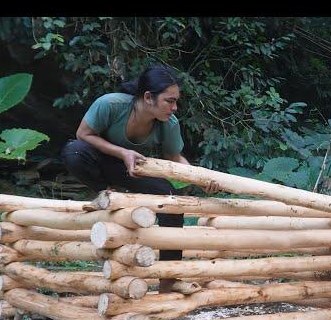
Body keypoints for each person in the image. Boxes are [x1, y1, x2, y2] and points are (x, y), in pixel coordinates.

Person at [61, 65, 219, 292]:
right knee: (74, 152)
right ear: (148, 97)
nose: (174, 107)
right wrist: (122, 153)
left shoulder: (169, 124)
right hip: (102, 160)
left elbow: (174, 157)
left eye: (176, 102)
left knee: (171, 200)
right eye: (169, 101)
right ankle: (105, 194)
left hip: (134, 169)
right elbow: (83, 135)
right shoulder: (110, 104)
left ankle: (169, 278)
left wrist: (201, 178)